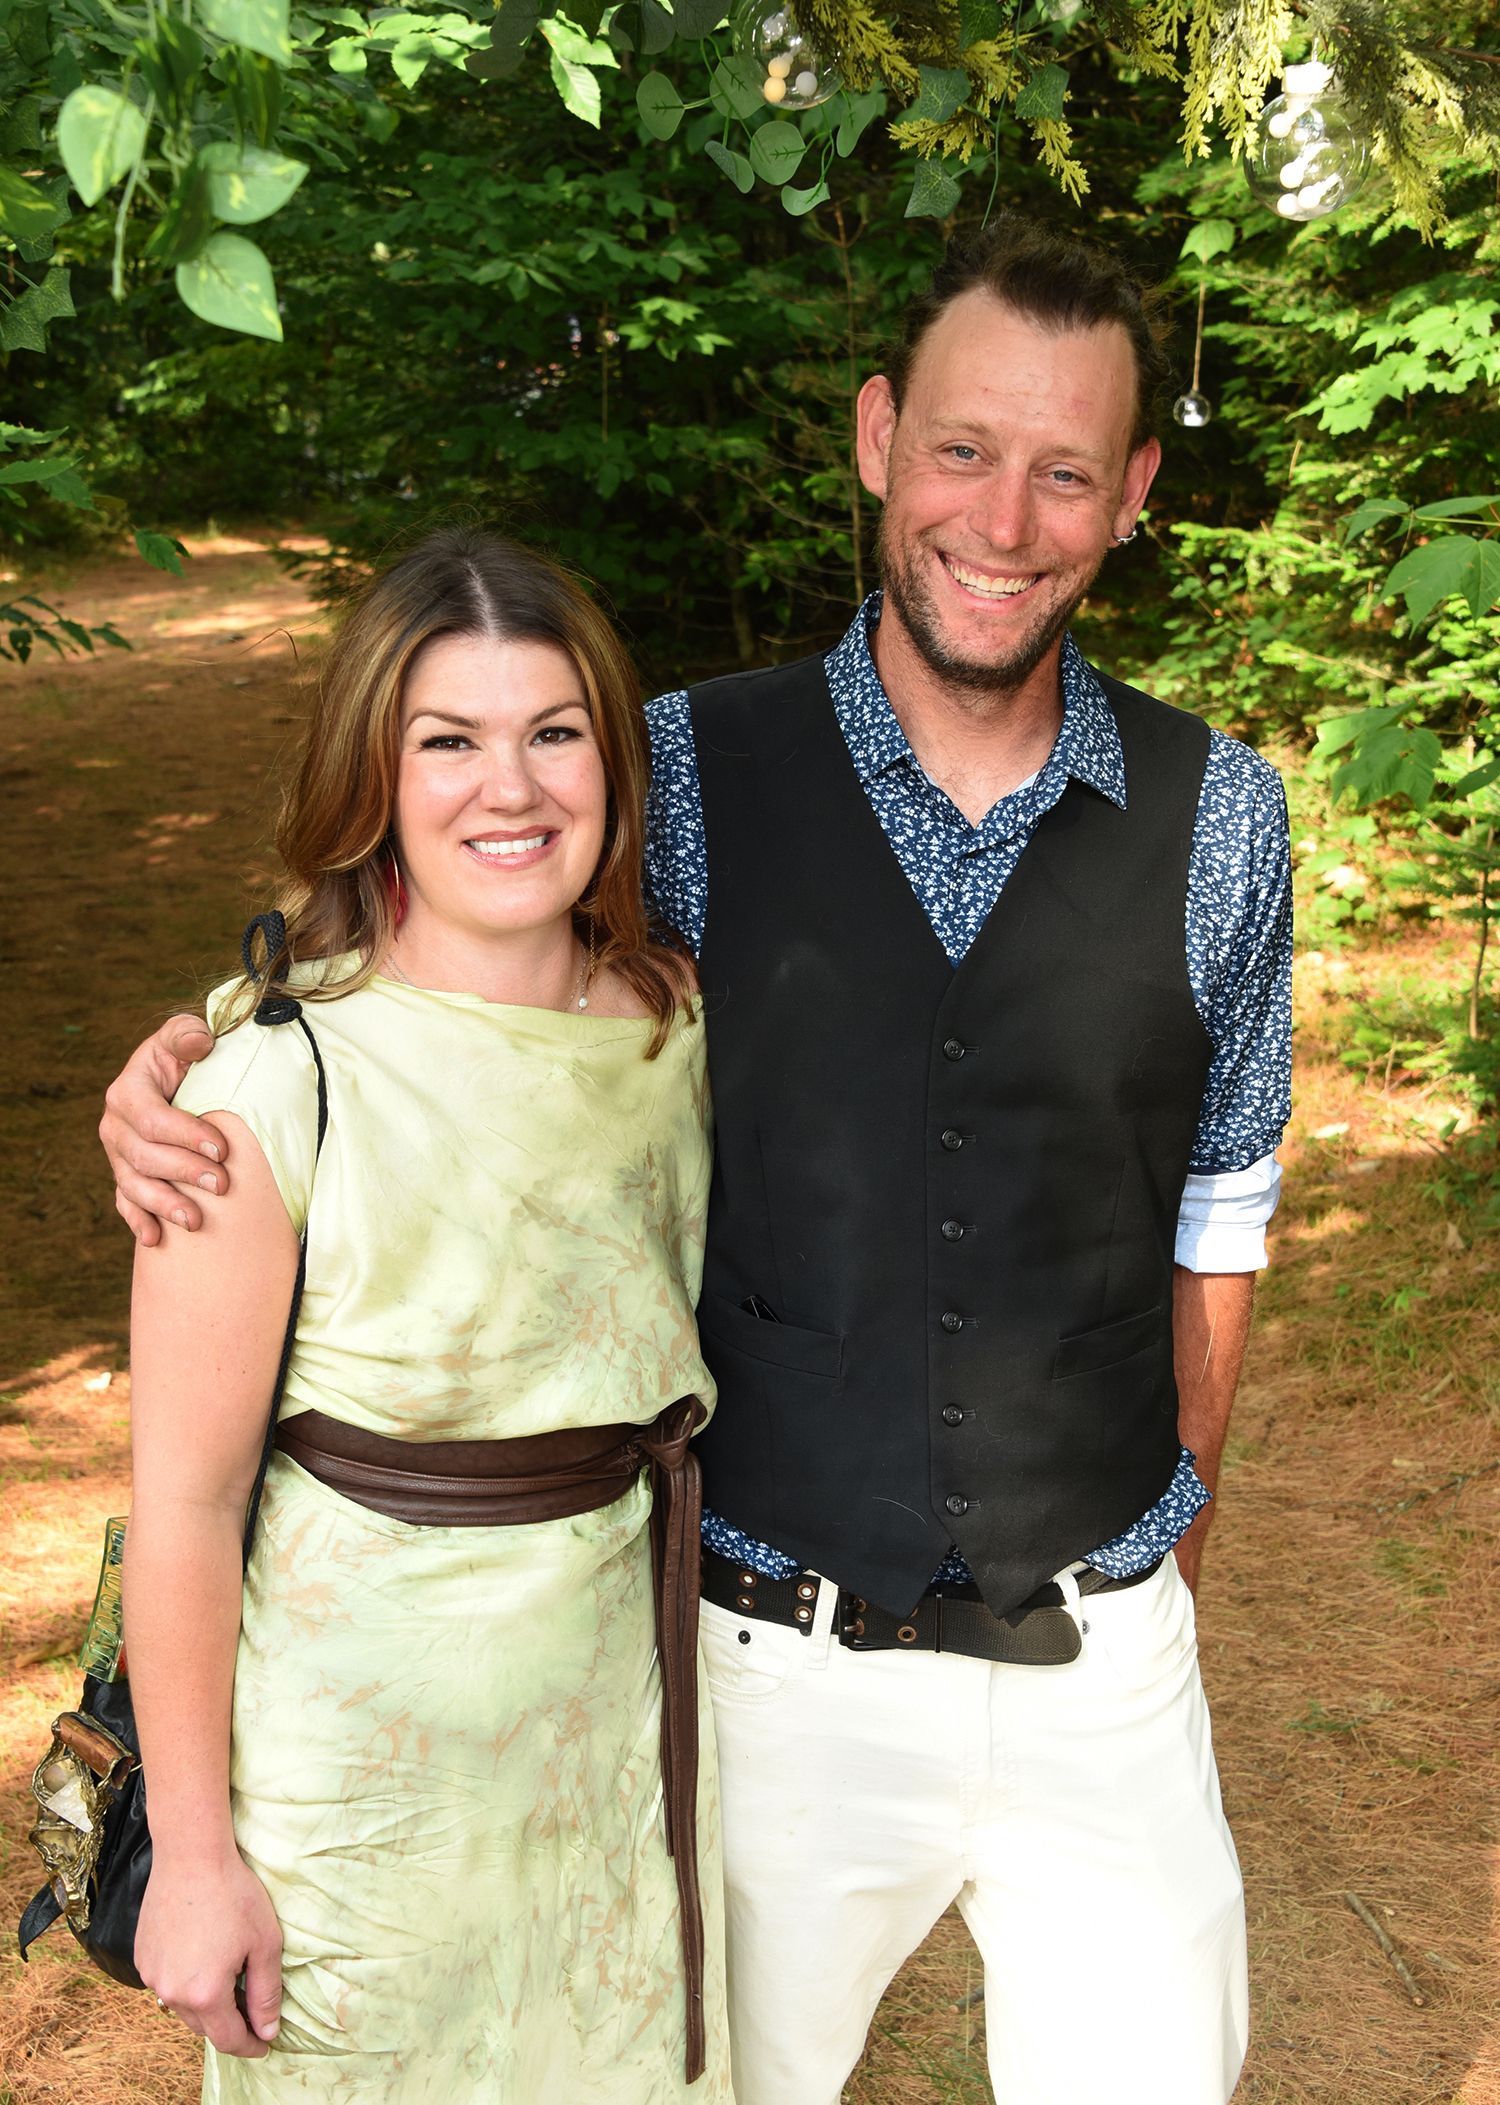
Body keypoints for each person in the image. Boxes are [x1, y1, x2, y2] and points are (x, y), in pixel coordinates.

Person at [103, 215, 1290, 2105]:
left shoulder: (1226, 818)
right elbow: (454, 952)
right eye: (967, 449)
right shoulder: (683, 779)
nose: (1007, 515)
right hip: (767, 1666)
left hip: (1109, 1674)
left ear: (1133, 492)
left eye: (1069, 468)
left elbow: (1222, 1207)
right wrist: (192, 1053)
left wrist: (1180, 1539)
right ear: (878, 436)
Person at [120, 530, 731, 2101]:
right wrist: (194, 1857)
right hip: (360, 1792)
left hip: (614, 1741)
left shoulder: (669, 1026)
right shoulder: (275, 1076)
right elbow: (184, 1499)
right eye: (445, 741)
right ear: (372, 777)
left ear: (611, 754)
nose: (507, 788)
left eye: (553, 731)